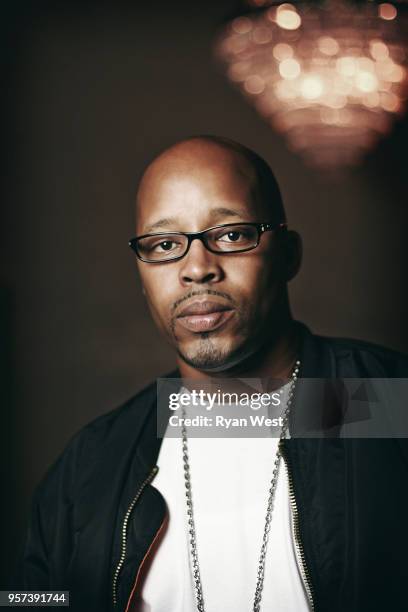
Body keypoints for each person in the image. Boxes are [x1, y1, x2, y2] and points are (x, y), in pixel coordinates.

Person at [16, 136, 408, 612]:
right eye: (164, 244)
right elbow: (33, 598)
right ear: (142, 276)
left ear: (287, 255)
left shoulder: (388, 403)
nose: (197, 268)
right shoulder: (94, 461)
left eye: (231, 235)